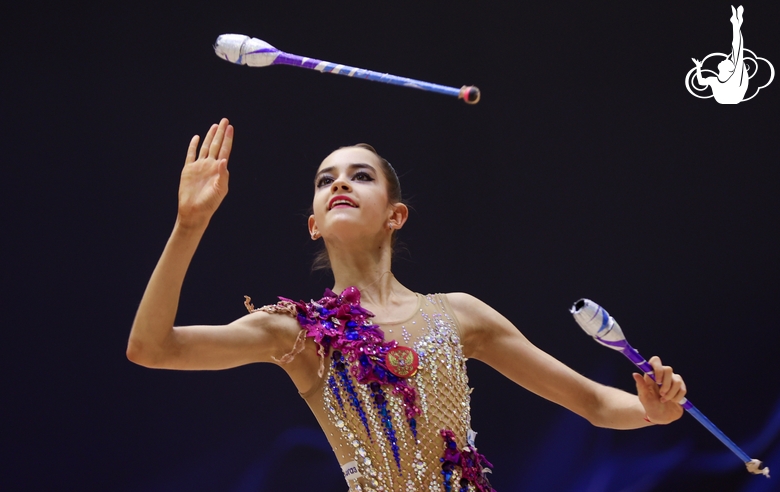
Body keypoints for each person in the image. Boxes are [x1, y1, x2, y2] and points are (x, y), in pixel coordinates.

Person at [127, 118, 687, 492]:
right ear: (314, 225)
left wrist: (652, 411)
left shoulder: (460, 315)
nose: (340, 184)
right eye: (326, 181)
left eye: (360, 176)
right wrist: (188, 224)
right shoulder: (295, 332)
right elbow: (152, 348)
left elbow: (590, 400)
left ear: (396, 215)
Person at [692, 5, 748, 104]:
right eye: (728, 61)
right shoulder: (717, 79)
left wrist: (698, 68)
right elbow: (700, 82)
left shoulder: (720, 79)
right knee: (737, 52)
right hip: (731, 96)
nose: (724, 59)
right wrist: (698, 67)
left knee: (737, 51)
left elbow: (701, 82)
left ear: (729, 69)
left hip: (732, 96)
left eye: (727, 61)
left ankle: (736, 24)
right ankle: (736, 24)